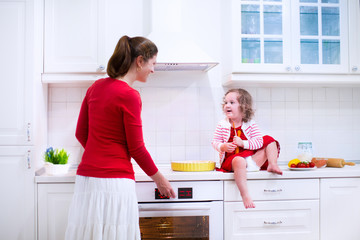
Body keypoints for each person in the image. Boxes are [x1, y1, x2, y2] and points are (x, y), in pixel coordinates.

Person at [65, 35, 176, 240]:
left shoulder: (95, 88)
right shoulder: (130, 95)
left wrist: (98, 152)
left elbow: (80, 133)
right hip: (114, 182)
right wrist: (160, 180)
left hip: (87, 180)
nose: (153, 70)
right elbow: (137, 148)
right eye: (153, 64)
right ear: (140, 61)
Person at [212, 88, 282, 209]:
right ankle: (245, 195)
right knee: (239, 160)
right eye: (226, 102)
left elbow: (259, 142)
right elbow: (215, 142)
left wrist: (243, 143)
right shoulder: (222, 124)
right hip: (232, 162)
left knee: (270, 140)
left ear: (243, 107)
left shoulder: (250, 124)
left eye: (232, 102)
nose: (227, 105)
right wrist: (222, 146)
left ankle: (272, 164)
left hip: (251, 160)